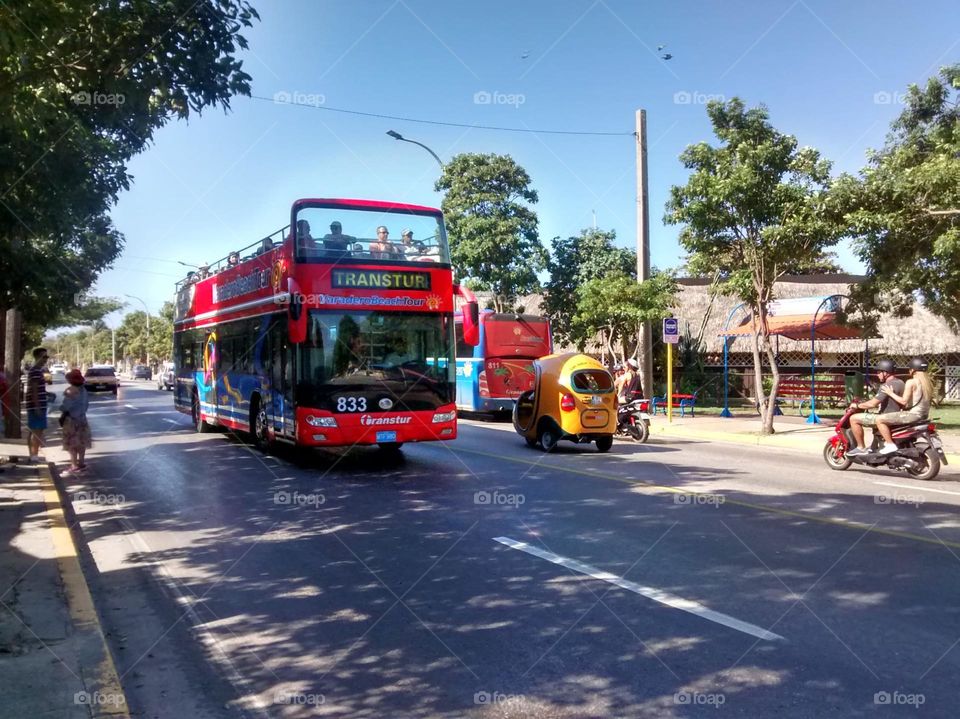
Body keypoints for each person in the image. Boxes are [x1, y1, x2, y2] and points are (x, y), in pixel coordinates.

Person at [873, 357, 933, 454]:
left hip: (913, 416)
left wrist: (890, 393)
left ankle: (890, 445)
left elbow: (903, 401)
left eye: (910, 369)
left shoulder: (911, 382)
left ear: (913, 370)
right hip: (924, 416)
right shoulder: (928, 384)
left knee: (879, 420)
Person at [846, 359, 906, 456]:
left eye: (879, 372)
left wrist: (856, 405)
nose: (877, 375)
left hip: (886, 417)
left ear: (885, 372)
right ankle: (874, 446)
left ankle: (861, 447)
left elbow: (872, 404)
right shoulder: (901, 383)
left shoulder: (887, 385)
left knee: (854, 419)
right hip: (896, 415)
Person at [60, 369, 92, 473]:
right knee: (82, 442)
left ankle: (74, 465)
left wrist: (60, 409)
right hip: (82, 419)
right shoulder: (84, 391)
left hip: (71, 420)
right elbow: (86, 405)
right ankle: (81, 463)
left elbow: (65, 407)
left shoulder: (70, 390)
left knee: (72, 443)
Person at [25, 347, 49, 462]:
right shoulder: (35, 371)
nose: (45, 359)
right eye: (43, 357)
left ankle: (32, 455)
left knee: (35, 430)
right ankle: (34, 456)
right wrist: (37, 406)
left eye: (46, 357)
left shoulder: (38, 371)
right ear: (37, 357)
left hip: (39, 403)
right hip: (36, 406)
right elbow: (34, 389)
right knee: (37, 430)